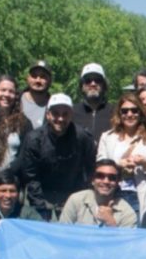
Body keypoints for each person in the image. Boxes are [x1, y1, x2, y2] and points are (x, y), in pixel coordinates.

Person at [19, 93, 97, 221]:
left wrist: (80, 196)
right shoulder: (34, 138)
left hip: (72, 194)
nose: (60, 118)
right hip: (41, 195)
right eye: (55, 113)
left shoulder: (83, 137)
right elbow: (30, 176)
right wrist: (40, 206)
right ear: (48, 115)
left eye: (65, 114)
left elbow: (90, 168)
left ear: (71, 115)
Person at [97, 93, 146, 217]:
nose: (129, 114)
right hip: (114, 194)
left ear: (140, 113)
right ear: (119, 113)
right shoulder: (107, 137)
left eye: (134, 110)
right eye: (125, 111)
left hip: (141, 196)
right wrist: (118, 164)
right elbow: (100, 166)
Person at [59, 159, 138, 227]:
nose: (106, 181)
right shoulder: (76, 200)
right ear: (92, 180)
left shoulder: (127, 213)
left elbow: (127, 243)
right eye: (100, 176)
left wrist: (111, 223)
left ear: (118, 182)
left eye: (112, 178)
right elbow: (62, 233)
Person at [0, 75, 32, 174]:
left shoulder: (23, 122)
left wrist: (11, 171)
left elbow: (25, 154)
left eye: (11, 91)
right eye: (3, 90)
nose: (6, 94)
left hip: (10, 180)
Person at [75, 62, 113, 139]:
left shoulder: (115, 112)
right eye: (88, 80)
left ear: (104, 85)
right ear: (82, 86)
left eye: (97, 80)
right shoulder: (71, 113)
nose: (93, 84)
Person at [21, 60, 52, 129]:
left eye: (43, 77)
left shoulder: (53, 106)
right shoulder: (15, 99)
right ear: (28, 78)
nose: (38, 80)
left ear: (50, 80)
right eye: (34, 76)